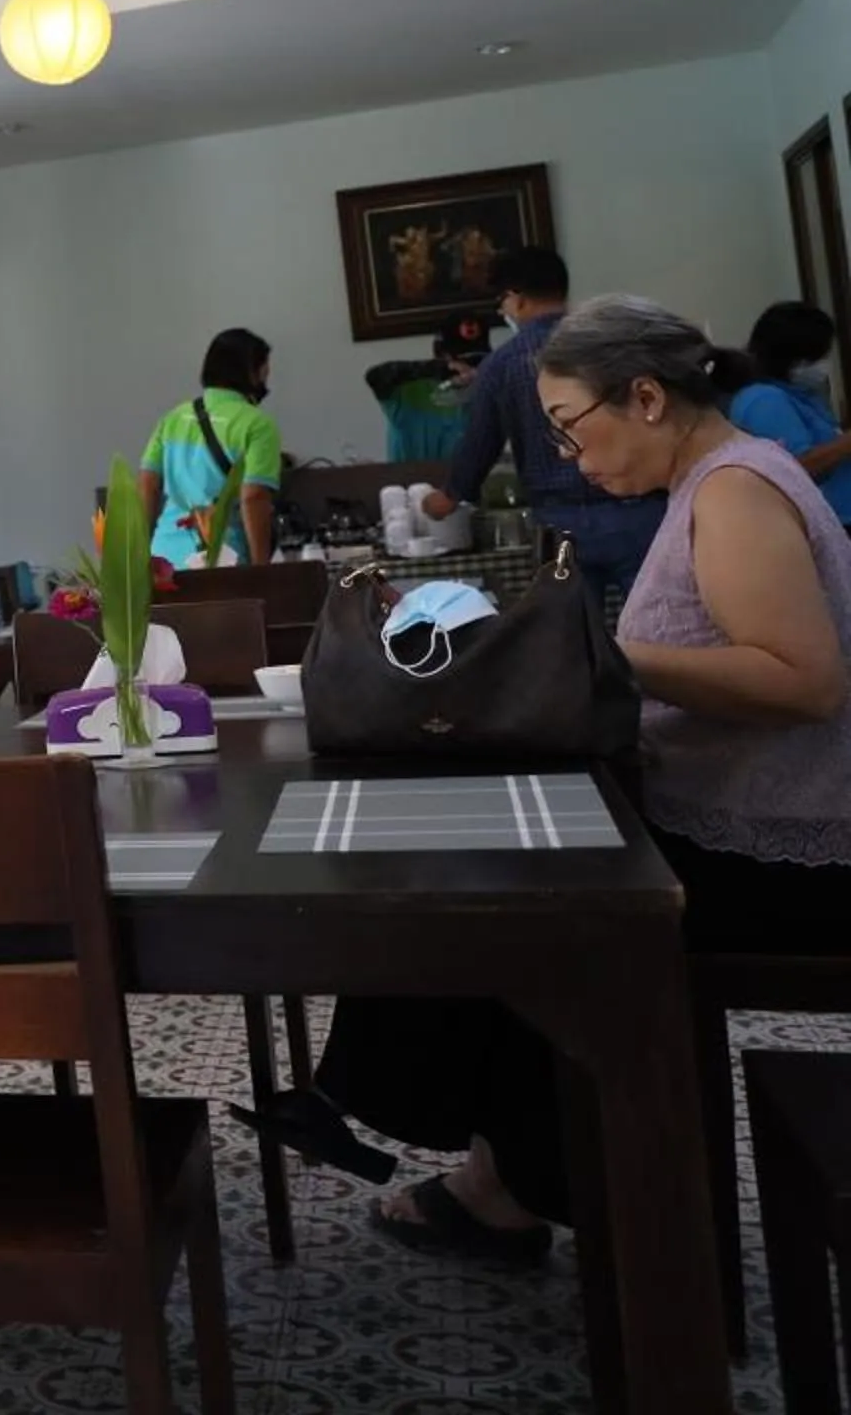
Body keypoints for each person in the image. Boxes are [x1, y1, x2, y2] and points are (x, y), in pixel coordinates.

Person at [272, 298, 851, 1262]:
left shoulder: (736, 487)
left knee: (513, 901)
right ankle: (495, 1167)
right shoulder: (714, 481)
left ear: (649, 398)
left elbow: (804, 679)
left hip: (782, 862)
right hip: (724, 820)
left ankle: (553, 1191)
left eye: (574, 430)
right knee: (483, 851)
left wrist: (604, 655)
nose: (573, 458)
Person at [421, 247, 666, 596]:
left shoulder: (503, 364)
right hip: (638, 512)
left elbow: (479, 445)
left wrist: (446, 498)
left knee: (569, 638)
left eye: (501, 301)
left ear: (516, 299)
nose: (503, 310)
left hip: (559, 524)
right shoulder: (611, 345)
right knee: (661, 628)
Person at [135, 330, 282, 566]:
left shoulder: (173, 419)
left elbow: (147, 486)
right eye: (265, 371)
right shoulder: (257, 425)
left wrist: (138, 557)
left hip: (164, 559)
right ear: (251, 372)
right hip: (221, 559)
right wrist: (260, 569)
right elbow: (254, 497)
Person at [727, 300, 851, 526]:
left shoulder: (801, 394)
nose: (823, 365)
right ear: (790, 357)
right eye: (817, 357)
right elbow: (795, 468)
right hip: (825, 525)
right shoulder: (764, 401)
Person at [366, 313, 495, 462]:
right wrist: (436, 369)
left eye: (478, 363)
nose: (471, 373)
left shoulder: (485, 392)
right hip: (410, 481)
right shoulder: (407, 391)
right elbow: (375, 376)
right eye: (464, 364)